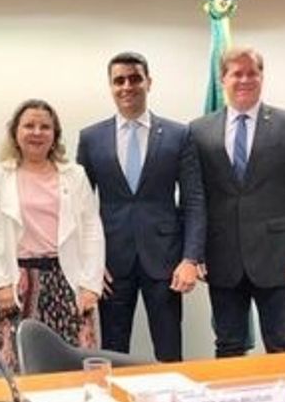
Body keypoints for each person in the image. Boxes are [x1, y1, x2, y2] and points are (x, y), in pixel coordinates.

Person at [190, 46, 285, 357]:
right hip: (221, 257)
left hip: (277, 257)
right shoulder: (198, 130)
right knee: (228, 346)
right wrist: (195, 253)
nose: (245, 80)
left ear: (262, 77)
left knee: (281, 344)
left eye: (253, 73)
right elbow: (195, 198)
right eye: (237, 73)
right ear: (223, 79)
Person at [76, 51, 205, 362]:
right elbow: (79, 207)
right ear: (110, 86)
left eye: (135, 79)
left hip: (165, 261)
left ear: (149, 82)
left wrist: (191, 258)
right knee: (112, 353)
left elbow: (194, 200)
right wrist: (89, 264)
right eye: (119, 80)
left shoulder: (179, 135)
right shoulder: (91, 138)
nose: (127, 86)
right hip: (110, 264)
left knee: (169, 352)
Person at [0, 99, 105, 370]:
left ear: (55, 135)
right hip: (18, 283)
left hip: (68, 281)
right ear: (15, 132)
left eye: (45, 127)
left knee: (72, 363)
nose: (37, 132)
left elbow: (92, 229)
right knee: (19, 363)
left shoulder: (75, 175)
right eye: (29, 126)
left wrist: (91, 286)